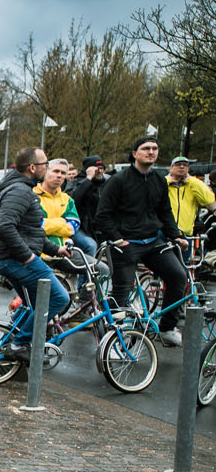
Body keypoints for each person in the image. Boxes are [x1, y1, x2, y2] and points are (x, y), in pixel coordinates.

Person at [95, 136, 188, 344]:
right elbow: (102, 215)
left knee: (178, 276)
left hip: (153, 241)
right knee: (122, 289)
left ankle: (167, 328)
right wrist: (117, 239)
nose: (151, 152)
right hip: (126, 242)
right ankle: (113, 337)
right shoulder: (118, 180)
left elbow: (165, 212)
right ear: (135, 154)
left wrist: (176, 235)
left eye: (155, 148)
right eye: (146, 148)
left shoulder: (159, 180)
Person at [0, 147, 69, 360]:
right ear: (33, 167)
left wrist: (56, 249)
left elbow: (31, 232)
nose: (48, 167)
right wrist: (28, 257)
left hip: (9, 258)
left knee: (32, 305)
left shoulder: (22, 189)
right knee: (59, 298)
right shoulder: (20, 191)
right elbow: (5, 227)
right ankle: (20, 344)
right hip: (14, 259)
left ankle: (8, 344)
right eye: (45, 164)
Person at [36, 159, 96, 265]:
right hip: (40, 253)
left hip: (65, 252)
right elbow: (35, 225)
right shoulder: (32, 196)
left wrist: (48, 225)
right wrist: (61, 222)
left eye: (63, 173)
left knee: (100, 268)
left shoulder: (67, 199)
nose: (59, 175)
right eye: (56, 171)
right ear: (45, 172)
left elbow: (73, 226)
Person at [167, 155, 216, 240]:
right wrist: (168, 180)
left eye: (185, 165)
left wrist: (191, 180)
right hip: (164, 233)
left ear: (188, 169)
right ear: (170, 169)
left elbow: (208, 199)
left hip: (185, 234)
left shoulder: (193, 184)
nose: (182, 166)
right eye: (178, 164)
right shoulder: (163, 182)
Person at [68, 156, 107, 235]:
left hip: (102, 226)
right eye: (96, 169)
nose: (99, 171)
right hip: (82, 226)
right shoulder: (75, 182)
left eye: (101, 168)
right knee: (89, 243)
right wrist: (88, 179)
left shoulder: (107, 183)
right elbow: (73, 200)